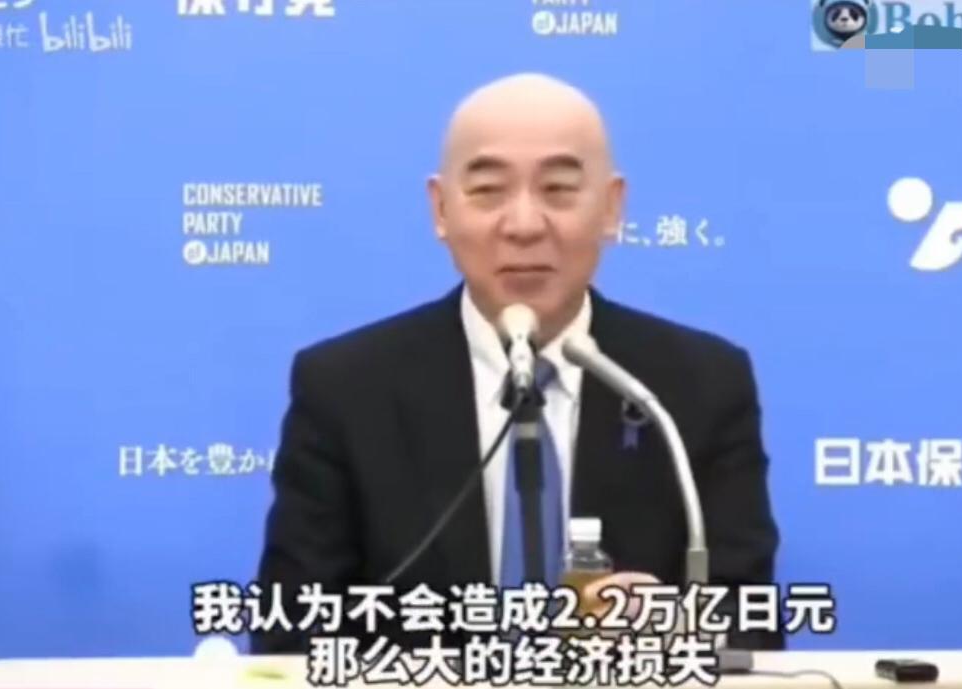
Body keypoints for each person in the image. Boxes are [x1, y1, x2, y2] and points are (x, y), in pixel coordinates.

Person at [250, 72, 781, 654]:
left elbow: (749, 625)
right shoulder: (346, 388)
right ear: (441, 209)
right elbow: (290, 632)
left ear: (611, 208)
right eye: (488, 191)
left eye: (558, 189)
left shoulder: (697, 385)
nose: (524, 225)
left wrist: (673, 631)